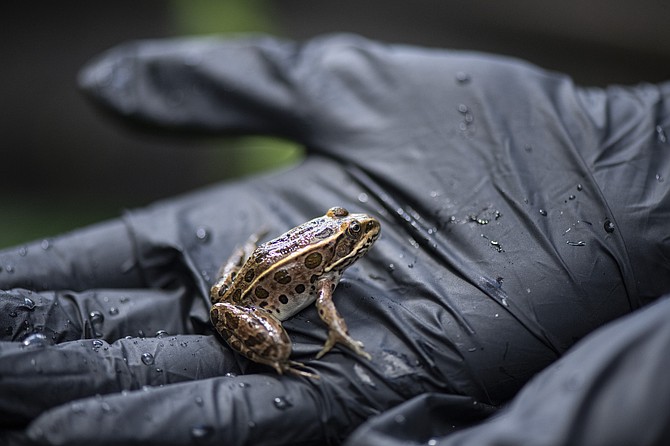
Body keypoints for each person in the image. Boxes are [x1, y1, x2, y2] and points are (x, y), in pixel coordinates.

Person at [1, 33, 669, 446]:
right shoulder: (324, 274)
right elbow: (325, 309)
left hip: (236, 277)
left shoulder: (331, 247)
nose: (358, 238)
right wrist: (340, 340)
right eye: (351, 236)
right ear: (335, 244)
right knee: (285, 343)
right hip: (255, 303)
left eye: (352, 236)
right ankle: (271, 351)